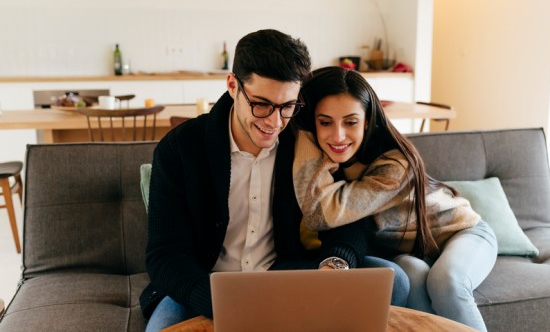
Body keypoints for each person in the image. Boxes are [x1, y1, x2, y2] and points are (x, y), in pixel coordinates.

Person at [140, 30, 404, 332]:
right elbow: (164, 255)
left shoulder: (305, 143)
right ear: (232, 86)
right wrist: (223, 304)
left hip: (283, 275)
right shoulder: (180, 148)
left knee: (395, 279)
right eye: (261, 104)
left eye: (287, 107)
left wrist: (335, 264)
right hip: (203, 286)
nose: (275, 122)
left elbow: (346, 215)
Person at [292, 66, 498, 331]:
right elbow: (333, 219)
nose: (338, 135)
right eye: (325, 122)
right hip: (413, 250)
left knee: (446, 281)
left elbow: (321, 211)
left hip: (463, 233)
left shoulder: (395, 166)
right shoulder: (335, 161)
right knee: (409, 274)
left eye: (351, 122)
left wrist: (306, 132)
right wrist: (306, 128)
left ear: (367, 121)